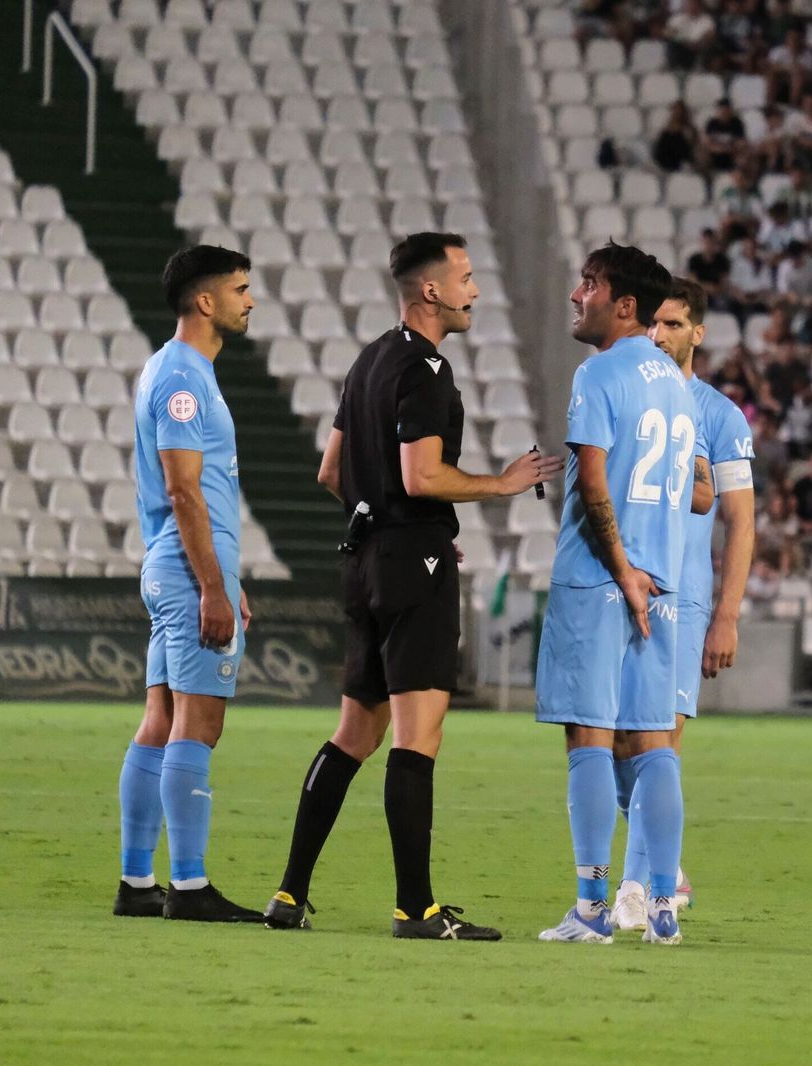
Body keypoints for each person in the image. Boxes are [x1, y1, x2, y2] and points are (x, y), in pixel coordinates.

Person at [262, 233, 559, 938]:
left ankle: (289, 895)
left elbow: (332, 473)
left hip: (362, 562)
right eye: (464, 276)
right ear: (430, 290)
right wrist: (501, 484)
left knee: (353, 733)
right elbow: (422, 476)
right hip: (411, 563)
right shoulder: (426, 369)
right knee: (417, 739)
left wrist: (387, 533)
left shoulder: (368, 360)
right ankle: (416, 909)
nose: (473, 290)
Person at [535, 242, 707, 946]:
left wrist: (619, 566)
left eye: (591, 285)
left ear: (623, 304)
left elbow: (594, 480)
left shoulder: (598, 372)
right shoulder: (675, 383)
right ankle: (662, 907)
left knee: (591, 739)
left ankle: (590, 910)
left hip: (602, 579)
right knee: (652, 742)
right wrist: (647, 574)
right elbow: (698, 493)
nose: (578, 296)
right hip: (663, 583)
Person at [115, 245, 259, 922]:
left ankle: (137, 882)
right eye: (239, 288)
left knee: (162, 721)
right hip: (182, 570)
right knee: (197, 725)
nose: (248, 299)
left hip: (178, 568)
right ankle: (192, 888)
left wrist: (225, 577)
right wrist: (211, 586)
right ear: (205, 301)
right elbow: (183, 489)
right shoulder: (181, 377)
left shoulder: (174, 368)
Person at [611, 277, 757, 933]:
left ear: (698, 332)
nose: (658, 336)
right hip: (617, 594)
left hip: (680, 602)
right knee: (612, 746)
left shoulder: (720, 417)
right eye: (652, 324)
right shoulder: (624, 399)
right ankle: (665, 866)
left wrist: (726, 613)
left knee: (655, 746)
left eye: (672, 325)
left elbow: (740, 522)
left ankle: (637, 891)